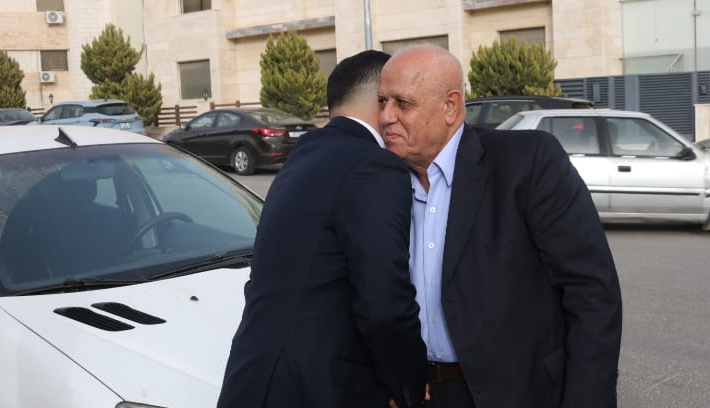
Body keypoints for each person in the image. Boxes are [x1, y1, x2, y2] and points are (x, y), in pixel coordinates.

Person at [378, 44, 623, 408]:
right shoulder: (380, 181)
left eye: (403, 103)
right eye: (382, 101)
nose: (386, 116)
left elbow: (592, 294)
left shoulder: (526, 163)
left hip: (518, 394)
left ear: (450, 106)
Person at [216, 50, 427, 408]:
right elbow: (384, 301)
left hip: (255, 377)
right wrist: (408, 383)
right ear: (382, 99)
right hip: (317, 387)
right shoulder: (373, 165)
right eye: (401, 100)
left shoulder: (307, 152)